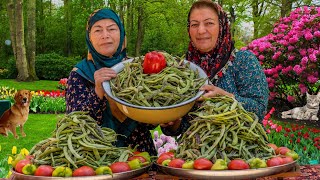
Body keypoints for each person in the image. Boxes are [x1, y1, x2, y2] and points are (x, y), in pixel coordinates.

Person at [161, 0, 269, 136]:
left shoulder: (243, 60)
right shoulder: (184, 69)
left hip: (242, 151)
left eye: (209, 23)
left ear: (222, 26)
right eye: (194, 24)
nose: (200, 30)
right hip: (196, 153)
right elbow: (182, 127)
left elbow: (259, 110)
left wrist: (225, 97)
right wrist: (172, 123)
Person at [65, 8, 157, 156]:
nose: (105, 35)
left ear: (121, 33)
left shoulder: (137, 68)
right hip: (95, 158)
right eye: (98, 30)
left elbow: (151, 121)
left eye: (111, 29)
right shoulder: (79, 74)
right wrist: (98, 92)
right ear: (89, 37)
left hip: (141, 157)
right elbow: (74, 126)